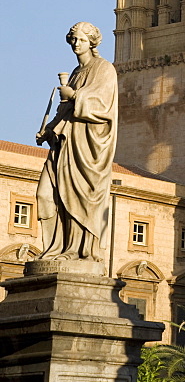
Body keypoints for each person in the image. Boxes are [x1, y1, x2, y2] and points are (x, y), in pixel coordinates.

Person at [36, 22, 118, 261]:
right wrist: (49, 130)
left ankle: (77, 251)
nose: (75, 44)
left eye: (80, 39)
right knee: (46, 194)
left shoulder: (104, 69)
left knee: (79, 198)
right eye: (73, 39)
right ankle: (56, 247)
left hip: (87, 148)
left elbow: (104, 106)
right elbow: (65, 112)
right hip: (64, 145)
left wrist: (74, 95)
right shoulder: (75, 73)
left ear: (92, 42)